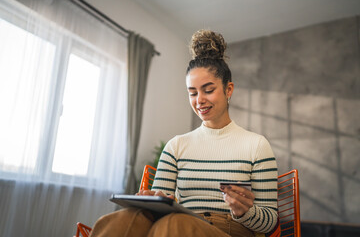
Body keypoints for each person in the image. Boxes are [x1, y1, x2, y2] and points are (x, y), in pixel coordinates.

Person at [89, 30, 278, 237]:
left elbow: (269, 221)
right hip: (179, 222)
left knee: (174, 225)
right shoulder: (176, 146)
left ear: (228, 89)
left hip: (229, 230)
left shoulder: (256, 145)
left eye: (208, 90)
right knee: (122, 219)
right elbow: (160, 203)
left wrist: (246, 212)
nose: (199, 100)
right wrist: (156, 198)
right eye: (193, 92)